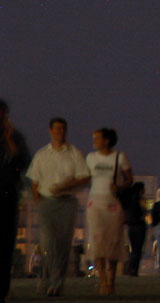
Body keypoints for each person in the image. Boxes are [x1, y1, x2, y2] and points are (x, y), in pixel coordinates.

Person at [26, 117, 90, 296]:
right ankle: (45, 277)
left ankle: (56, 282)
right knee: (48, 242)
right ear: (50, 131)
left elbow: (85, 176)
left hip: (67, 202)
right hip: (46, 202)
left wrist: (67, 186)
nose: (60, 132)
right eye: (57, 129)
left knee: (62, 243)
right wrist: (38, 198)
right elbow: (34, 180)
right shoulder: (42, 154)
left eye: (63, 129)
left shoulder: (74, 153)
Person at [86, 128, 133, 295]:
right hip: (95, 201)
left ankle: (112, 281)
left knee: (113, 242)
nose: (94, 141)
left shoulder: (120, 157)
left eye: (97, 138)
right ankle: (102, 281)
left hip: (113, 202)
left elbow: (130, 179)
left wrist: (119, 186)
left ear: (107, 140)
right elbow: (86, 176)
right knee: (97, 241)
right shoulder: (90, 158)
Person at [0, 100, 30, 303]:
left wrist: (10, 139)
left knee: (5, 244)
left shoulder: (15, 136)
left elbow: (24, 162)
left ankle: (3, 290)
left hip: (7, 195)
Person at [125, 182, 147, 276]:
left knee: (133, 248)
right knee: (138, 249)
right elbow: (144, 212)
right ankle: (134, 269)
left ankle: (131, 268)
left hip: (131, 227)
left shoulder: (129, 200)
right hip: (140, 226)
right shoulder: (140, 200)